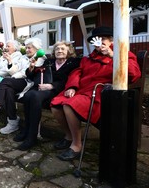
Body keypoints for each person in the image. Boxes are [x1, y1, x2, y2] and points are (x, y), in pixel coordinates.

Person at [50, 26, 141, 161]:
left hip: (100, 92)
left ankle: (76, 145)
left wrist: (112, 55)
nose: (100, 42)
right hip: (81, 89)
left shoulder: (122, 54)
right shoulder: (88, 58)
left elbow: (134, 74)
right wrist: (73, 86)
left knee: (69, 105)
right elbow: (77, 72)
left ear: (111, 41)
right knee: (55, 104)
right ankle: (68, 136)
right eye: (96, 40)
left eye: (103, 39)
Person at [12, 41, 81, 151]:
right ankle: (27, 130)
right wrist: (31, 67)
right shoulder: (49, 61)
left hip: (59, 91)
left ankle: (32, 136)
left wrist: (52, 86)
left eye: (62, 49)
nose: (59, 51)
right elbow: (33, 74)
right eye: (57, 49)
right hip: (43, 90)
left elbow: (71, 79)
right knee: (28, 95)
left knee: (34, 95)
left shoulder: (73, 63)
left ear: (69, 51)